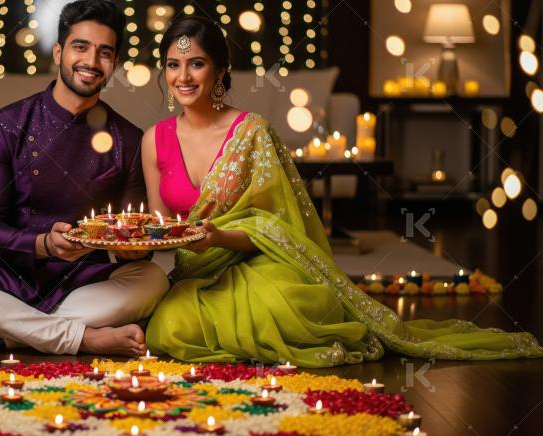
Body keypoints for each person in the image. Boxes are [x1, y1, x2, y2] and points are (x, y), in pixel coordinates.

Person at [143, 16, 543, 367]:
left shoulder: (252, 132)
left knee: (291, 307)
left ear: (220, 70)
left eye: (196, 63)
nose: (183, 77)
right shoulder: (154, 140)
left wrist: (219, 237)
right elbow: (159, 228)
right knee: (171, 327)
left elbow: (278, 224)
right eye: (173, 65)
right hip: (192, 270)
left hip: (253, 261)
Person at [0, 0, 168, 357]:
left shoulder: (129, 139)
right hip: (5, 278)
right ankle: (83, 339)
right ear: (58, 52)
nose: (91, 61)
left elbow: (132, 241)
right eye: (80, 47)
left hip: (83, 282)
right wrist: (43, 245)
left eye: (104, 52)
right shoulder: (4, 126)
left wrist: (131, 248)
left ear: (114, 63)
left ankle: (4, 334)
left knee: (153, 280)